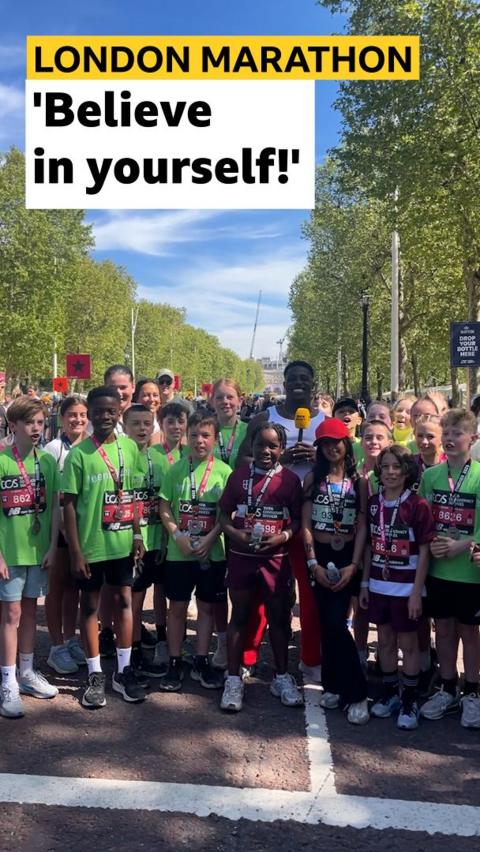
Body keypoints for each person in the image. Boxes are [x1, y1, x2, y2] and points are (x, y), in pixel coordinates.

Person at [236, 361, 324, 681]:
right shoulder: (264, 420)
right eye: (293, 379)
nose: (299, 383)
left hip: (310, 523)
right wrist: (279, 458)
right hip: (268, 518)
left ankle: (311, 658)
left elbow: (345, 465)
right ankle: (247, 656)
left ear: (312, 383)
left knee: (310, 595)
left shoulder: (325, 423)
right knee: (259, 593)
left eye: (305, 378)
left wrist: (320, 459)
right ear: (284, 383)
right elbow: (242, 461)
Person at [63, 386, 146, 708]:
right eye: (98, 411)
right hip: (91, 545)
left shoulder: (130, 447)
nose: (105, 416)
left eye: (111, 411)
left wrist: (138, 535)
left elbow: (133, 496)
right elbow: (68, 505)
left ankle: (123, 671)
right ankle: (95, 672)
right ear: (91, 414)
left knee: (124, 600)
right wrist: (75, 551)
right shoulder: (79, 454)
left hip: (122, 542)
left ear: (119, 412)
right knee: (90, 607)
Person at [219, 422, 303, 712]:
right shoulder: (238, 477)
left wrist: (283, 536)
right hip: (242, 558)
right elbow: (223, 514)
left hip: (275, 560)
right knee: (239, 616)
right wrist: (236, 535)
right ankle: (233, 678)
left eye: (273, 446)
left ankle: (281, 676)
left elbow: (298, 520)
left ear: (282, 449)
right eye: (260, 445)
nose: (266, 451)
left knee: (279, 619)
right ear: (250, 445)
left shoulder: (290, 480)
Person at [360, 445, 435, 730]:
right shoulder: (374, 502)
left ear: (407, 471)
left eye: (396, 467)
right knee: (385, 641)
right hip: (380, 584)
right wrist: (365, 583)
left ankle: (410, 698)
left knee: (409, 644)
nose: (390, 472)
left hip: (407, 588)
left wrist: (417, 591)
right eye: (386, 466)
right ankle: (391, 692)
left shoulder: (417, 505)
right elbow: (369, 546)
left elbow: (426, 550)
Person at [302, 418, 369, 725]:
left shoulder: (359, 481)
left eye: (336, 442)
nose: (332, 448)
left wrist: (354, 566)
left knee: (336, 621)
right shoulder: (312, 479)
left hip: (349, 557)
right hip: (320, 555)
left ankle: (357, 693)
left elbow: (364, 525)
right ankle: (332, 684)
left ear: (347, 444)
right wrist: (312, 563)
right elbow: (305, 525)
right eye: (325, 443)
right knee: (326, 622)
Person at [159, 411, 231, 691]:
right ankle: (175, 660)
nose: (199, 441)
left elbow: (226, 512)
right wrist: (176, 535)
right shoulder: (176, 469)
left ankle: (202, 659)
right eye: (194, 436)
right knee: (176, 607)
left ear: (215, 438)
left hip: (211, 553)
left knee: (206, 608)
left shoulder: (224, 471)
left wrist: (213, 538)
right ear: (186, 437)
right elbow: (164, 506)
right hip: (180, 552)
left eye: (205, 436)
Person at [419, 408, 480, 728]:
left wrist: (464, 544)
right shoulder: (430, 477)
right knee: (442, 629)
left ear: (473, 438)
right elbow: (421, 518)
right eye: (447, 433)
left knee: (469, 631)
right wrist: (430, 540)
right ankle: (447, 686)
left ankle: (472, 691)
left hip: (469, 572)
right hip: (439, 570)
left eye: (458, 433)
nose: (450, 439)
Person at [0, 397, 60, 718]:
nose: (36, 428)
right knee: (10, 616)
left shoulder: (47, 462)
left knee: (28, 611)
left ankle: (26, 672)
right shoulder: (2, 461)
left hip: (38, 553)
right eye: (29, 423)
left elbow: (54, 509)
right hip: (8, 554)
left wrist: (52, 546)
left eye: (40, 422)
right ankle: (7, 680)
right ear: (14, 426)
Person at [124, 404, 169, 678]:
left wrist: (165, 539)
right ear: (125, 425)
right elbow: (126, 502)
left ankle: (163, 641)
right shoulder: (123, 459)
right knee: (136, 600)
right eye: (136, 423)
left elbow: (166, 503)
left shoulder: (160, 458)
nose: (142, 429)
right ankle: (135, 650)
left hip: (159, 540)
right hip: (134, 542)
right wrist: (135, 535)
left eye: (147, 423)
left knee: (162, 592)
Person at [44, 395, 89, 674]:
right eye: (72, 415)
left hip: (82, 529)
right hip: (58, 528)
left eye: (82, 415)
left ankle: (71, 639)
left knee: (75, 586)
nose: (78, 420)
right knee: (56, 586)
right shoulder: (52, 449)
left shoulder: (90, 447)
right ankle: (55, 646)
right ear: (61, 419)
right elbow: (48, 494)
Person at [98, 365, 137, 657]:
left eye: (124, 387)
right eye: (114, 386)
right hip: (97, 525)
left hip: (128, 520)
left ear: (132, 388)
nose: (119, 392)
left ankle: (129, 639)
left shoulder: (146, 422)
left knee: (126, 587)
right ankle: (105, 632)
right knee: (101, 588)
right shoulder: (95, 422)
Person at [210, 378, 249, 670]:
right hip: (210, 512)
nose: (225, 402)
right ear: (212, 401)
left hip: (243, 514)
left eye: (231, 397)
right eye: (220, 397)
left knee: (242, 584)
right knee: (217, 586)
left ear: (240, 400)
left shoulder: (249, 430)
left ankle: (244, 644)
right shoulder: (204, 429)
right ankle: (222, 642)